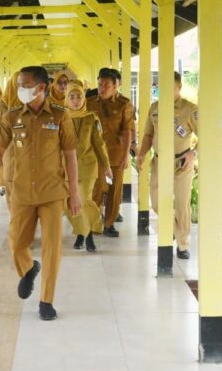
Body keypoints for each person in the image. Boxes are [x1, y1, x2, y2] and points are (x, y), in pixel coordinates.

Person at [0, 66, 81, 321]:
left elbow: (70, 156)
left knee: (52, 248)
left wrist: (74, 192)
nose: (20, 90)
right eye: (18, 85)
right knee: (16, 243)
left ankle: (46, 300)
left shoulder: (61, 116)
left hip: (52, 194)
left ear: (40, 87)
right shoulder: (12, 116)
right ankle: (28, 269)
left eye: (25, 85)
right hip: (22, 193)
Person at [136, 72, 198, 259]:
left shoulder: (190, 109)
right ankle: (173, 229)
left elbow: (205, 134)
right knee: (156, 203)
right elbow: (148, 135)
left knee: (181, 204)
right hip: (159, 161)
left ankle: (182, 244)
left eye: (170, 87)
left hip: (181, 163)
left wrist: (192, 153)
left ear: (179, 87)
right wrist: (141, 154)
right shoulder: (155, 108)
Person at [63, 80, 112, 252]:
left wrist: (106, 165)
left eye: (79, 97)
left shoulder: (92, 118)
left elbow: (99, 143)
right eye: (72, 97)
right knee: (68, 203)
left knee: (83, 200)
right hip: (66, 167)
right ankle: (81, 232)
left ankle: (88, 235)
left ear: (84, 99)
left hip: (87, 166)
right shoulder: (60, 117)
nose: (76, 100)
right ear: (66, 99)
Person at [90, 68, 135, 238]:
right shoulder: (91, 103)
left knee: (115, 190)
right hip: (95, 156)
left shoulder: (124, 104)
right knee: (97, 189)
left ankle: (109, 223)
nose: (102, 88)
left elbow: (127, 131)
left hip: (115, 155)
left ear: (116, 86)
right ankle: (93, 222)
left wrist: (125, 156)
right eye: (100, 84)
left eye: (106, 85)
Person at [0, 71, 21, 207]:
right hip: (10, 156)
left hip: (28, 159)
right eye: (19, 84)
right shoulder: (3, 107)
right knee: (13, 198)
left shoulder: (31, 105)